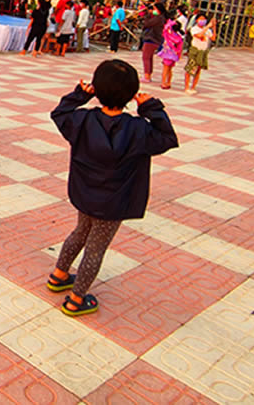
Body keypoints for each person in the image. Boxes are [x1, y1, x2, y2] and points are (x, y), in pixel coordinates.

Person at [47, 59, 179, 316]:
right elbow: (168, 138)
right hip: (114, 201)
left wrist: (79, 95)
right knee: (95, 248)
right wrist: (151, 107)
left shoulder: (82, 121)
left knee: (80, 232)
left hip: (85, 193)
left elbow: (59, 114)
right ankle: (76, 299)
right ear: (132, 95)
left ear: (96, 90)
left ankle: (59, 275)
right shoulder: (139, 129)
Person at [183, 15, 216, 95]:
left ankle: (193, 87)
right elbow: (199, 35)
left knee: (198, 69)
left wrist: (214, 27)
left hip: (203, 51)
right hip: (195, 50)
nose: (202, 21)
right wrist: (207, 26)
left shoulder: (208, 30)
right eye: (200, 19)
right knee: (190, 68)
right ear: (197, 20)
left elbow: (213, 38)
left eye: (204, 19)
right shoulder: (194, 29)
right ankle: (187, 87)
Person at [139, 1, 164, 82]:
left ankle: (147, 76)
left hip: (152, 39)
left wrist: (148, 15)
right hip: (155, 39)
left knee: (146, 57)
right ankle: (148, 74)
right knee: (149, 57)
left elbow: (147, 24)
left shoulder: (159, 18)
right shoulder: (161, 18)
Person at [158, 20, 184, 89]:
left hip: (167, 54)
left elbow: (165, 29)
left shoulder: (168, 35)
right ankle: (168, 82)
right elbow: (180, 48)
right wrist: (178, 55)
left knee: (165, 69)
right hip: (174, 55)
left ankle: (163, 83)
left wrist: (169, 23)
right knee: (170, 70)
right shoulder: (179, 37)